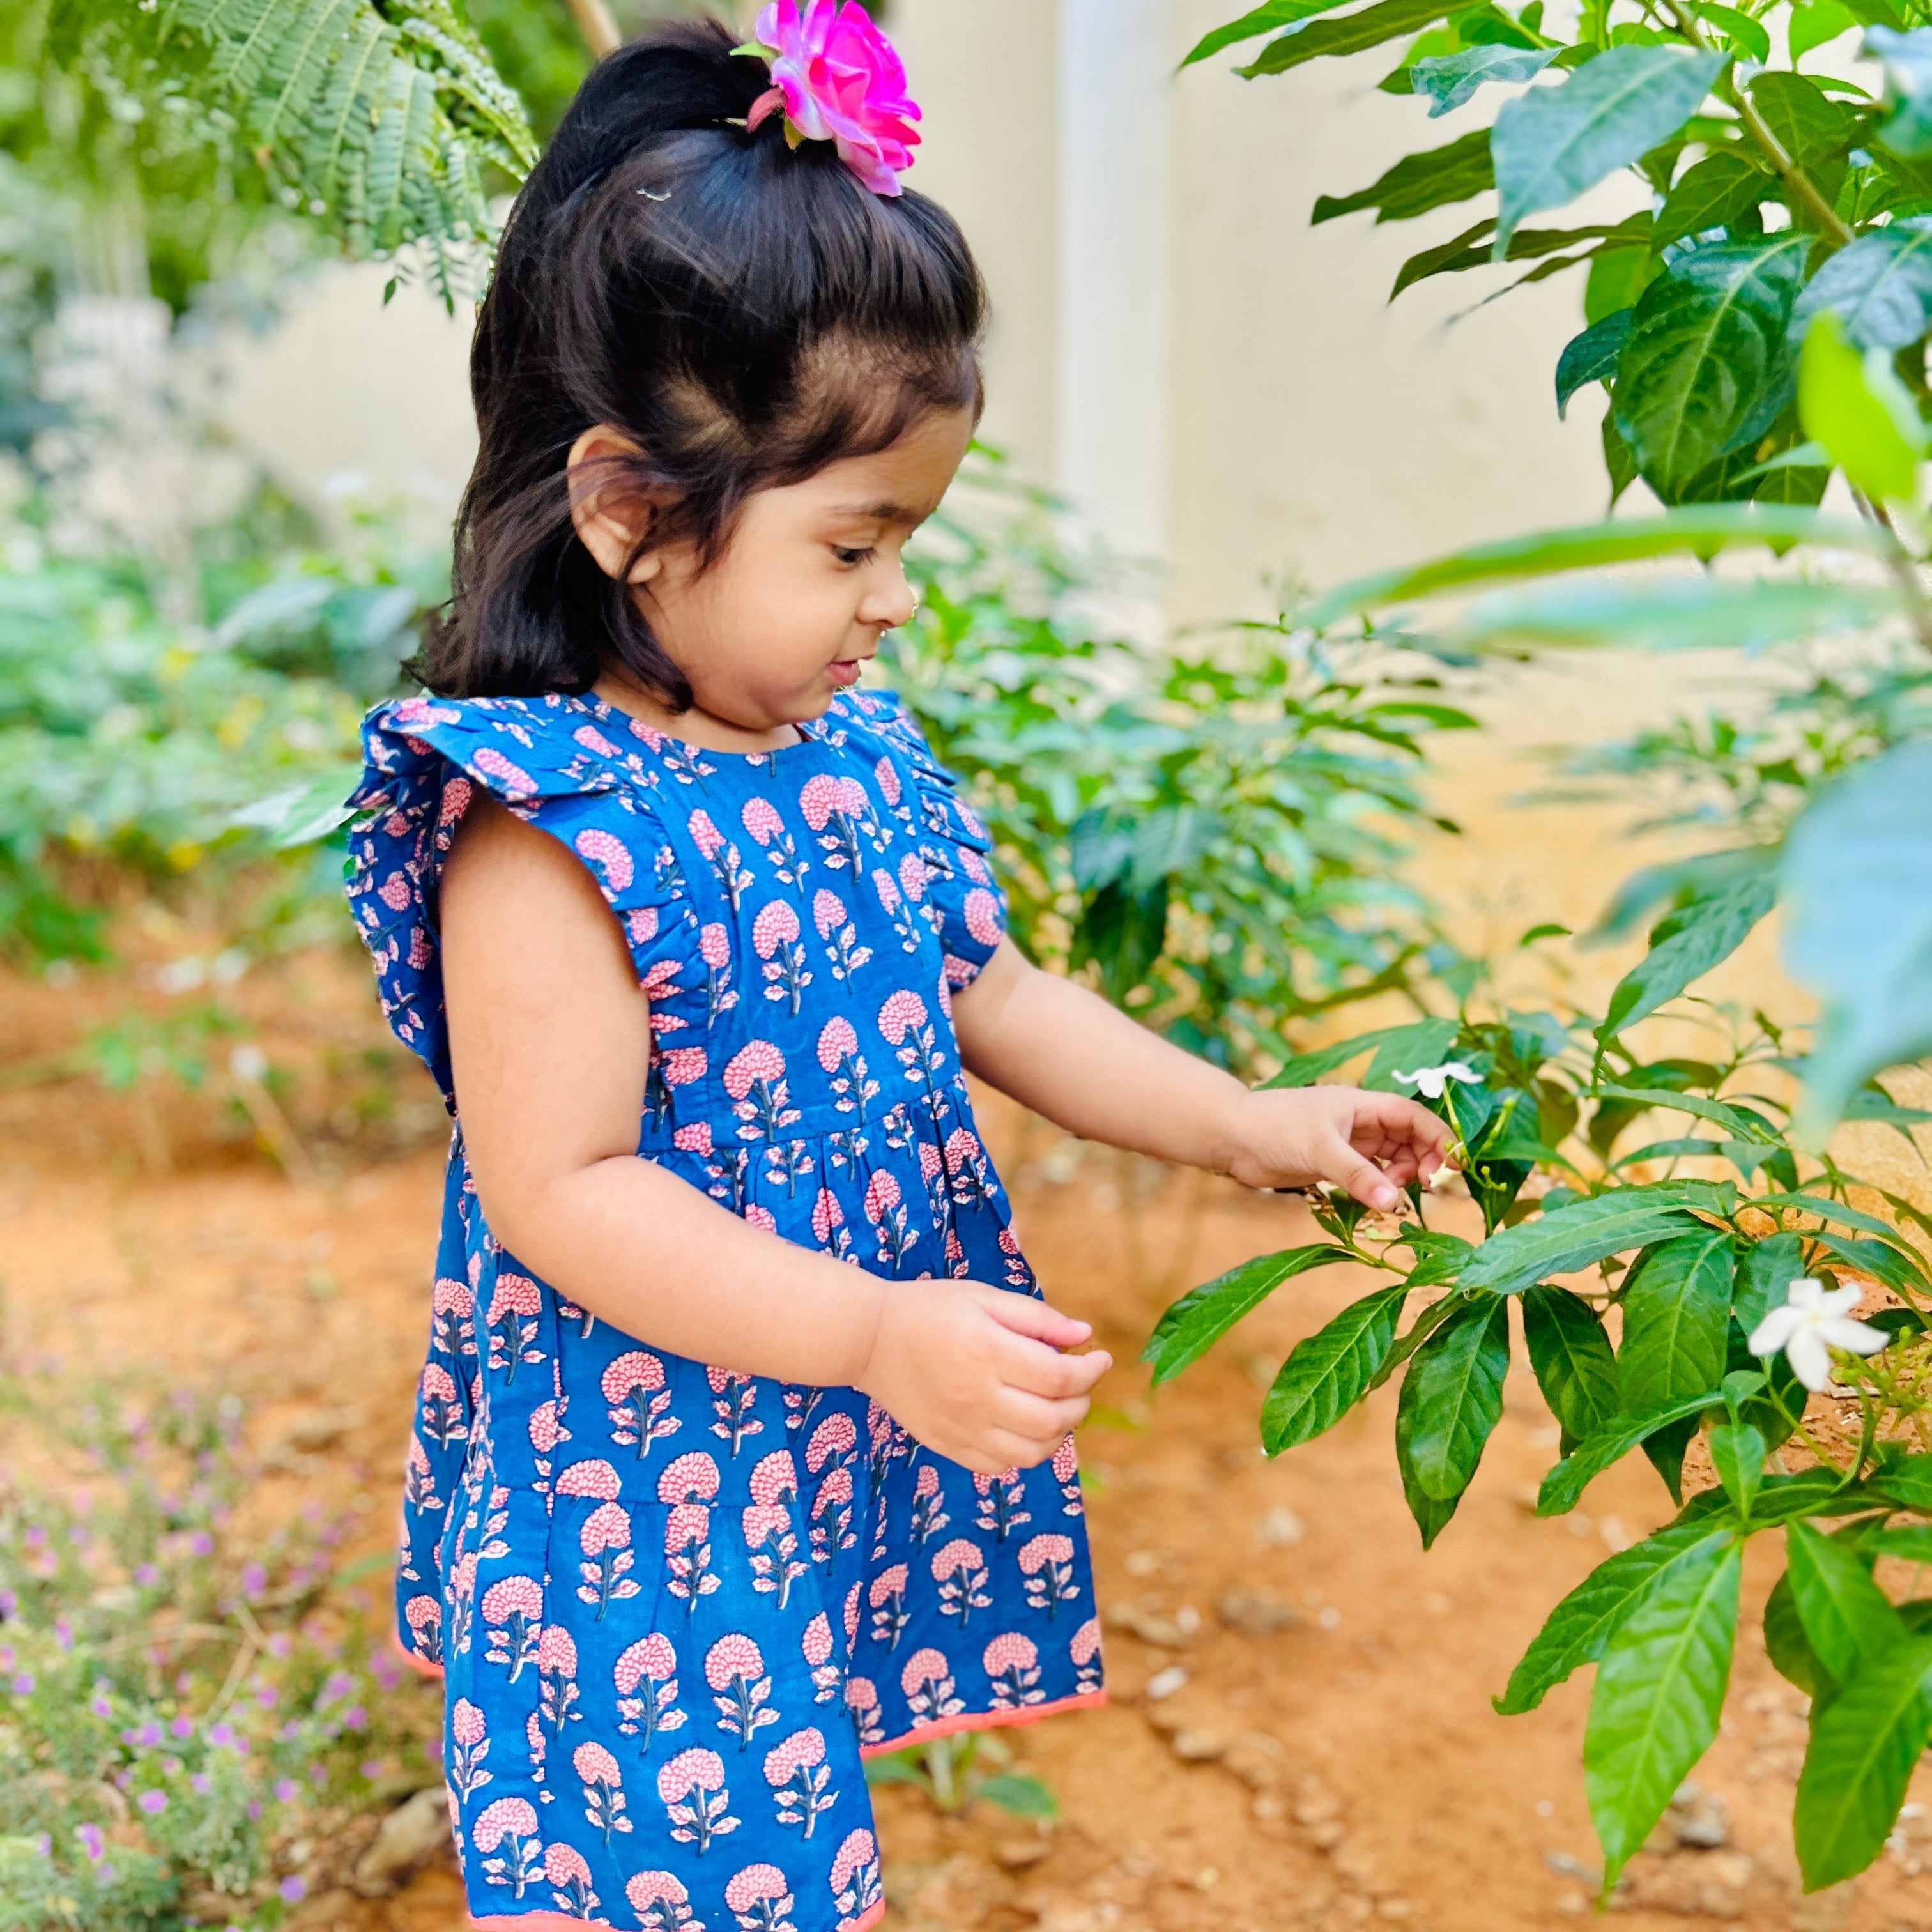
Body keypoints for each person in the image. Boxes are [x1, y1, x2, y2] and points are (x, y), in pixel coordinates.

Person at [346, 8, 1453, 1927]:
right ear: (628, 510)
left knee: (776, 1817)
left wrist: (1247, 1123)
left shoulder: (840, 747)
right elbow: (561, 1190)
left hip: (806, 1425)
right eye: (857, 543)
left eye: (907, 540)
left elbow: (990, 992)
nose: (895, 597)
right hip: (650, 1480)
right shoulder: (544, 828)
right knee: (692, 1870)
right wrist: (871, 1333)